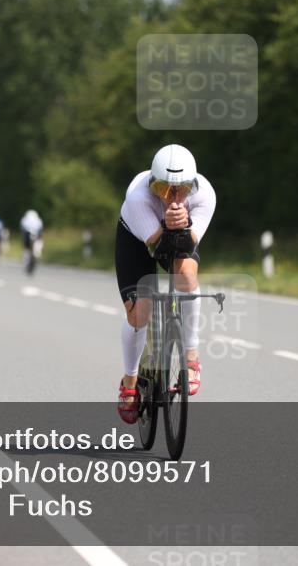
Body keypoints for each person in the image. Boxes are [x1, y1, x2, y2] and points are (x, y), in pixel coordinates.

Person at [114, 144, 216, 423]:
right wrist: (168, 224)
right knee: (140, 313)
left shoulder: (205, 195)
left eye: (182, 188)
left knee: (186, 276)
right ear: (152, 185)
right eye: (163, 188)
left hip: (177, 235)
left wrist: (182, 224)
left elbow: (188, 242)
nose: (173, 196)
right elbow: (156, 245)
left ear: (193, 186)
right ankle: (130, 381)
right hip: (138, 239)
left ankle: (191, 357)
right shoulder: (138, 198)